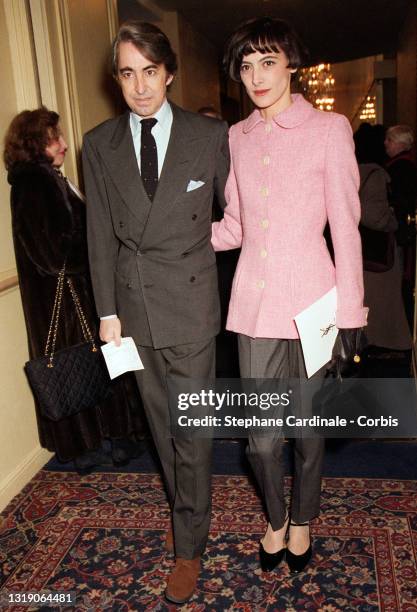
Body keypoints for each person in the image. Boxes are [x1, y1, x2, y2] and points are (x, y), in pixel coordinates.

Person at [212, 17, 367, 573]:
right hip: (253, 307)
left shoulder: (330, 129)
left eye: (268, 62)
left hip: (315, 307)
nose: (256, 76)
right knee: (259, 440)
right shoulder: (236, 136)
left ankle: (301, 519)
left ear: (291, 64)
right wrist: (172, 240)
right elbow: (234, 226)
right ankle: (275, 518)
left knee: (306, 431)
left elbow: (346, 227)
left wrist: (351, 308)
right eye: (246, 66)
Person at [82, 21, 229, 604]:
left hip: (191, 304)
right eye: (127, 73)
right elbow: (99, 236)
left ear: (168, 72)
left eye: (150, 71)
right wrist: (107, 312)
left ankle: (187, 545)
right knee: (162, 428)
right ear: (116, 79)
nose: (140, 87)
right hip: (134, 309)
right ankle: (187, 508)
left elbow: (238, 213)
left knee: (192, 430)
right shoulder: (99, 144)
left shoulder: (209, 136)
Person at [4, 107, 146, 472]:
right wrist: (96, 246)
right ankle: (91, 447)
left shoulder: (47, 178)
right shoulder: (32, 183)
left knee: (92, 369)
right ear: (37, 144)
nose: (65, 144)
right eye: (55, 138)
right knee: (77, 373)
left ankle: (110, 440)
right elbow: (52, 255)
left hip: (73, 298)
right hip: (62, 305)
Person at [354, 125, 412, 353]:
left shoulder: (351, 169)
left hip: (359, 248)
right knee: (381, 306)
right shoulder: (375, 173)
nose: (386, 144)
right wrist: (393, 221)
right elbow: (376, 217)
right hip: (377, 252)